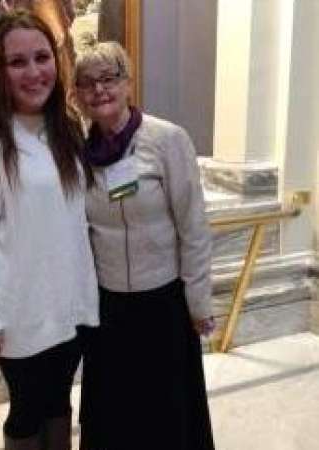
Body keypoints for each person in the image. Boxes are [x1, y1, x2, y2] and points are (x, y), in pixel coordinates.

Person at [0, 9, 99, 450]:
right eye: (18, 62)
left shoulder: (66, 129)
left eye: (41, 57)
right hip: (21, 310)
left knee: (58, 403)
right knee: (28, 410)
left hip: (70, 305)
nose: (34, 72)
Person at [74, 41, 216, 450]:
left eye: (109, 78)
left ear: (128, 83)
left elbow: (193, 226)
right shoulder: (79, 153)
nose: (99, 90)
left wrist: (200, 302)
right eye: (87, 83)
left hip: (164, 304)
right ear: (77, 95)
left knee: (166, 412)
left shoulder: (167, 139)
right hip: (109, 308)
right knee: (115, 415)